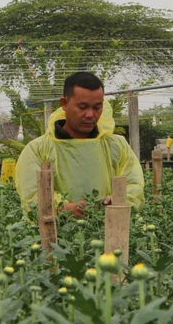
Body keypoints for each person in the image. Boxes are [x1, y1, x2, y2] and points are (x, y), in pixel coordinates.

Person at [15, 72, 144, 216]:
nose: (90, 114)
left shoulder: (117, 146)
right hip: (54, 235)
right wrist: (64, 209)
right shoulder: (37, 149)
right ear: (64, 103)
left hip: (112, 231)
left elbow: (134, 186)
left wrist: (116, 201)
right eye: (82, 107)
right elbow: (31, 195)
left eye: (97, 107)